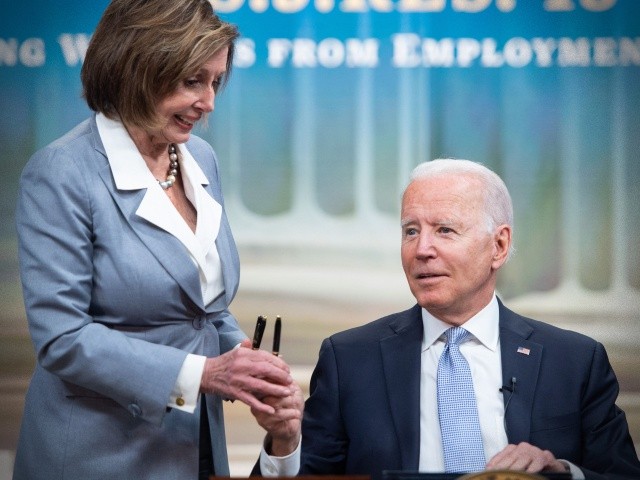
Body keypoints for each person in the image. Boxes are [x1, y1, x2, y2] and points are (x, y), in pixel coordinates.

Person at [13, 1, 301, 479]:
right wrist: (206, 373)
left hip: (193, 443)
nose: (208, 102)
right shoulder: (61, 173)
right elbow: (63, 338)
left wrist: (245, 361)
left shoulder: (199, 157)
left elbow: (201, 306)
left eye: (215, 82)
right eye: (192, 81)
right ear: (138, 70)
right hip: (99, 456)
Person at [252, 158, 640, 480]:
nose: (422, 249)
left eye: (445, 230)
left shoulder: (574, 361)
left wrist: (561, 473)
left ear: (499, 245)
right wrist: (285, 442)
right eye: (410, 231)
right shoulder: (350, 360)